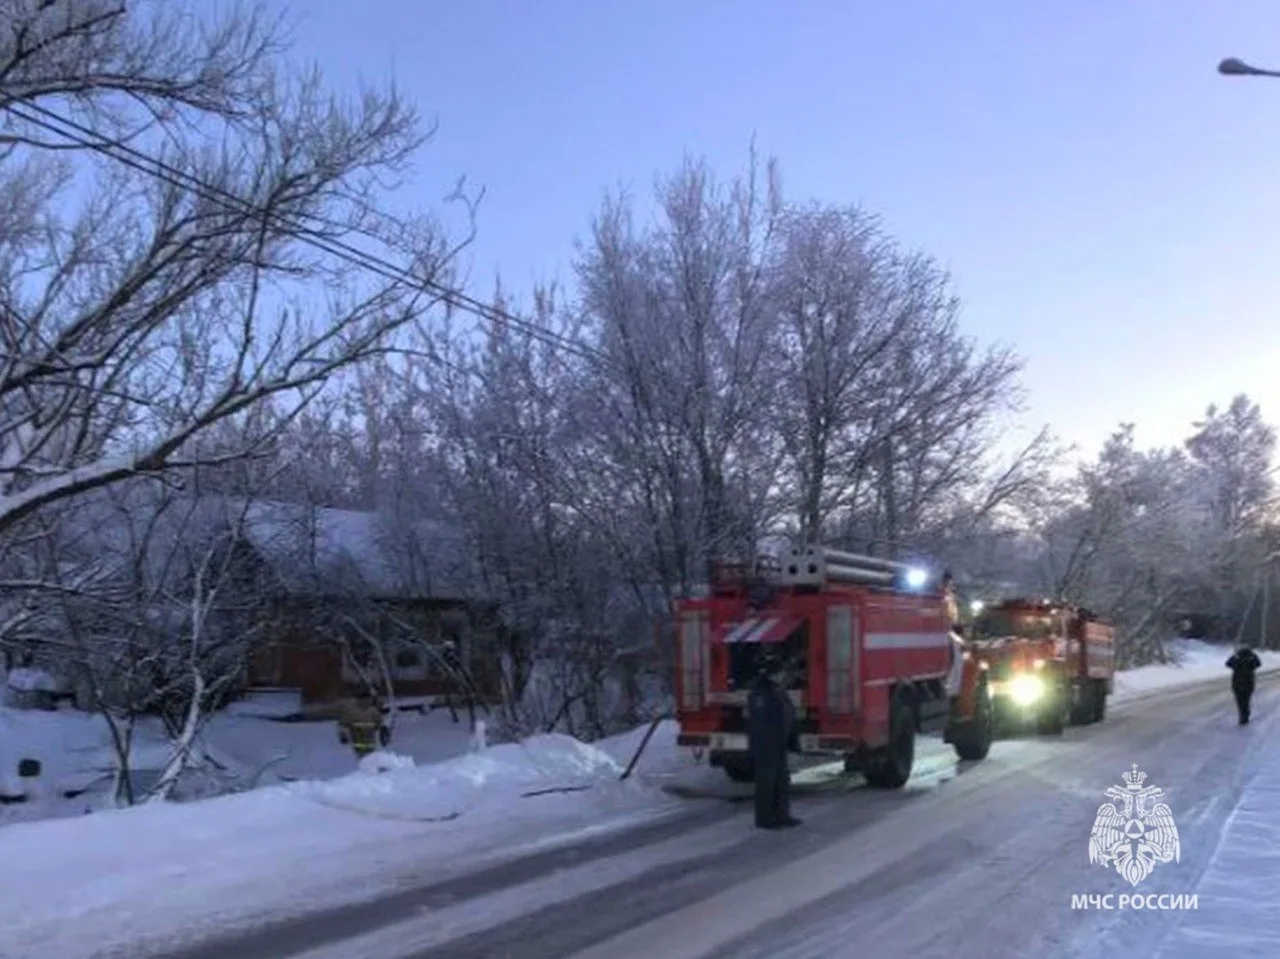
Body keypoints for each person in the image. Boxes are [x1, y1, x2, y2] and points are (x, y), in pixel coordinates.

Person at [746, 653, 800, 830]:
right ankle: (765, 819)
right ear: (772, 674)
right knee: (767, 783)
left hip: (779, 743)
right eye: (780, 672)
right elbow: (762, 723)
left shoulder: (776, 689)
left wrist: (791, 740)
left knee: (781, 780)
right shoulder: (761, 692)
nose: (783, 675)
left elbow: (787, 714)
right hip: (767, 745)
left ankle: (782, 815)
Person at [337, 692, 386, 758]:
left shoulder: (373, 710)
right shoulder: (352, 711)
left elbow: (380, 723)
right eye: (365, 699)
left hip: (371, 742)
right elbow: (342, 724)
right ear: (360, 700)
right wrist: (342, 734)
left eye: (369, 699)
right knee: (363, 758)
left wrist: (383, 731)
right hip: (358, 742)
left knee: (372, 758)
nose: (368, 701)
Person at [1226, 645, 1263, 725]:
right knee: (1246, 701)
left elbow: (1228, 663)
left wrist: (1234, 655)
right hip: (1248, 684)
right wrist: (1254, 655)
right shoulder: (1251, 661)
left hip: (1237, 684)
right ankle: (1245, 715)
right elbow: (1259, 664)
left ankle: (1242, 716)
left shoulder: (1237, 661)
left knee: (1240, 701)